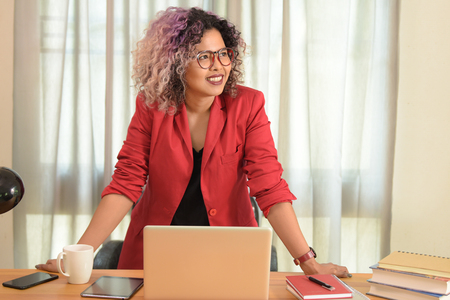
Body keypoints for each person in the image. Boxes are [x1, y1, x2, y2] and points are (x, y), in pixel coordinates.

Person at [36, 6, 349, 277]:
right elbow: (125, 185)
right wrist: (77, 255)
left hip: (230, 252)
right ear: (174, 63)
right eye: (203, 57)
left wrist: (309, 262)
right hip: (155, 256)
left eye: (224, 53)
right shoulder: (151, 107)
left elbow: (269, 187)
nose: (219, 65)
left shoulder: (248, 105)